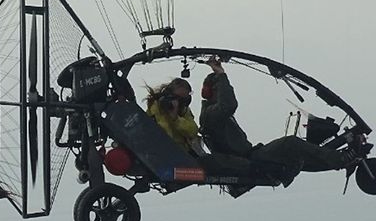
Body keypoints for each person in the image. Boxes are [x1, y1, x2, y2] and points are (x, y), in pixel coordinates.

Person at [198, 57, 364, 186]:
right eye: (220, 89)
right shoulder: (211, 114)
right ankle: (340, 159)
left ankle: (340, 159)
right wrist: (221, 74)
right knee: (290, 144)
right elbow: (229, 104)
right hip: (250, 159)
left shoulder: (215, 114)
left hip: (252, 155)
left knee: (298, 154)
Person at [143, 78, 204, 155]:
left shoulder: (184, 110)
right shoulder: (155, 108)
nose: (179, 102)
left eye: (183, 99)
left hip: (184, 154)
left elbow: (193, 131)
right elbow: (163, 136)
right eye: (177, 98)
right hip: (162, 155)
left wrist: (176, 119)